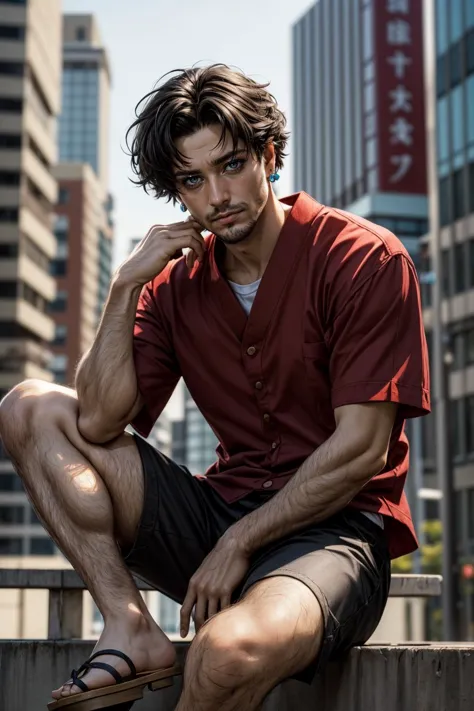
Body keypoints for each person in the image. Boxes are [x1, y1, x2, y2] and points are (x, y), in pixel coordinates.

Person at [0, 64, 430, 711]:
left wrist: (240, 541)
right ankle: (129, 625)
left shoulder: (363, 257)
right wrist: (125, 288)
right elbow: (96, 424)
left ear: (269, 154)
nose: (216, 195)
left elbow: (363, 447)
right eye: (192, 180)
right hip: (215, 514)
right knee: (31, 407)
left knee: (226, 654)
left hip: (334, 535)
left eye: (231, 165)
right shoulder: (175, 286)